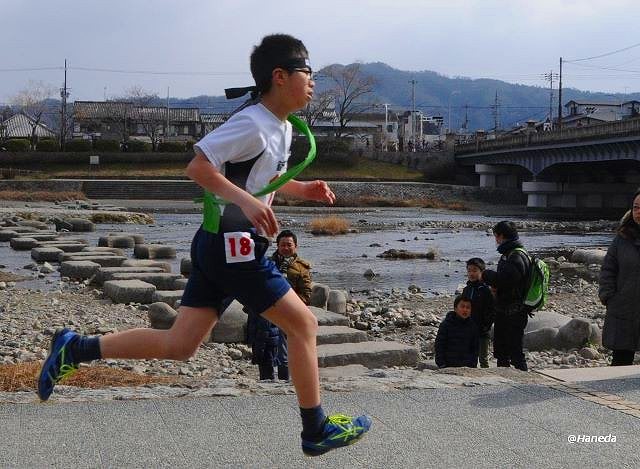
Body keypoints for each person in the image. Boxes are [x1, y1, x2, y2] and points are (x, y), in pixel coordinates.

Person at [37, 34, 370, 457]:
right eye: (309, 73)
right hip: (235, 247)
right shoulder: (251, 121)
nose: (313, 83)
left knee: (181, 345)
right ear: (280, 76)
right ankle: (315, 428)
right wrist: (247, 203)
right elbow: (198, 166)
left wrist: (302, 189)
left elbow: (257, 182)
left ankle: (77, 347)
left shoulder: (282, 127)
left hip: (220, 244)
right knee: (303, 325)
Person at [247, 229, 312, 381]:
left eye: (289, 245)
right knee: (264, 349)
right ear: (277, 246)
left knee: (284, 354)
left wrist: (291, 307)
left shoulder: (302, 268)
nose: (286, 248)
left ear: (295, 246)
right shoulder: (266, 264)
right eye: (282, 245)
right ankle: (266, 381)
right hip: (266, 314)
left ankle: (285, 382)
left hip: (288, 315)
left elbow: (306, 295)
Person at [481, 221, 531, 371]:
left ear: (501, 236)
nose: (495, 240)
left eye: (496, 236)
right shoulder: (516, 253)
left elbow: (506, 281)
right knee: (506, 351)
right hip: (511, 310)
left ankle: (521, 383)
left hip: (512, 311)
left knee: (512, 352)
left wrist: (486, 275)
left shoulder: (514, 255)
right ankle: (513, 380)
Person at [599, 189, 640, 366]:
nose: (639, 212)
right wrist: (608, 296)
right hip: (624, 307)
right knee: (621, 362)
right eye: (636, 207)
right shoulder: (622, 237)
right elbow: (608, 269)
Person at [462, 258, 494, 368]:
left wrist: (486, 326)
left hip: (482, 330)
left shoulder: (485, 289)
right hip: (468, 328)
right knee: (470, 356)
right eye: (469, 270)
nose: (471, 273)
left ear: (482, 272)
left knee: (483, 358)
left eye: (475, 270)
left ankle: (486, 379)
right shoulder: (467, 289)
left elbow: (491, 310)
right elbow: (462, 308)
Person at [435, 295, 479, 368]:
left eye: (468, 307)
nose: (465, 310)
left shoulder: (473, 326)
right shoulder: (446, 324)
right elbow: (439, 345)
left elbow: (475, 348)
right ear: (455, 309)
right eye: (462, 306)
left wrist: (473, 365)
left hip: (467, 367)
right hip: (448, 365)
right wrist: (441, 364)